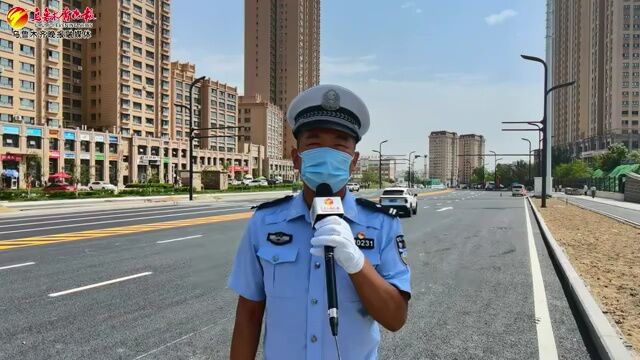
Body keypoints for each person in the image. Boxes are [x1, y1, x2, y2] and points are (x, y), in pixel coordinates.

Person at [228, 84, 411, 360]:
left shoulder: (381, 225)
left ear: (353, 162)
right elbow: (248, 316)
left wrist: (357, 263)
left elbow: (395, 318)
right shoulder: (264, 223)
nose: (327, 153)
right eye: (313, 143)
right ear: (296, 158)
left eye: (339, 144)